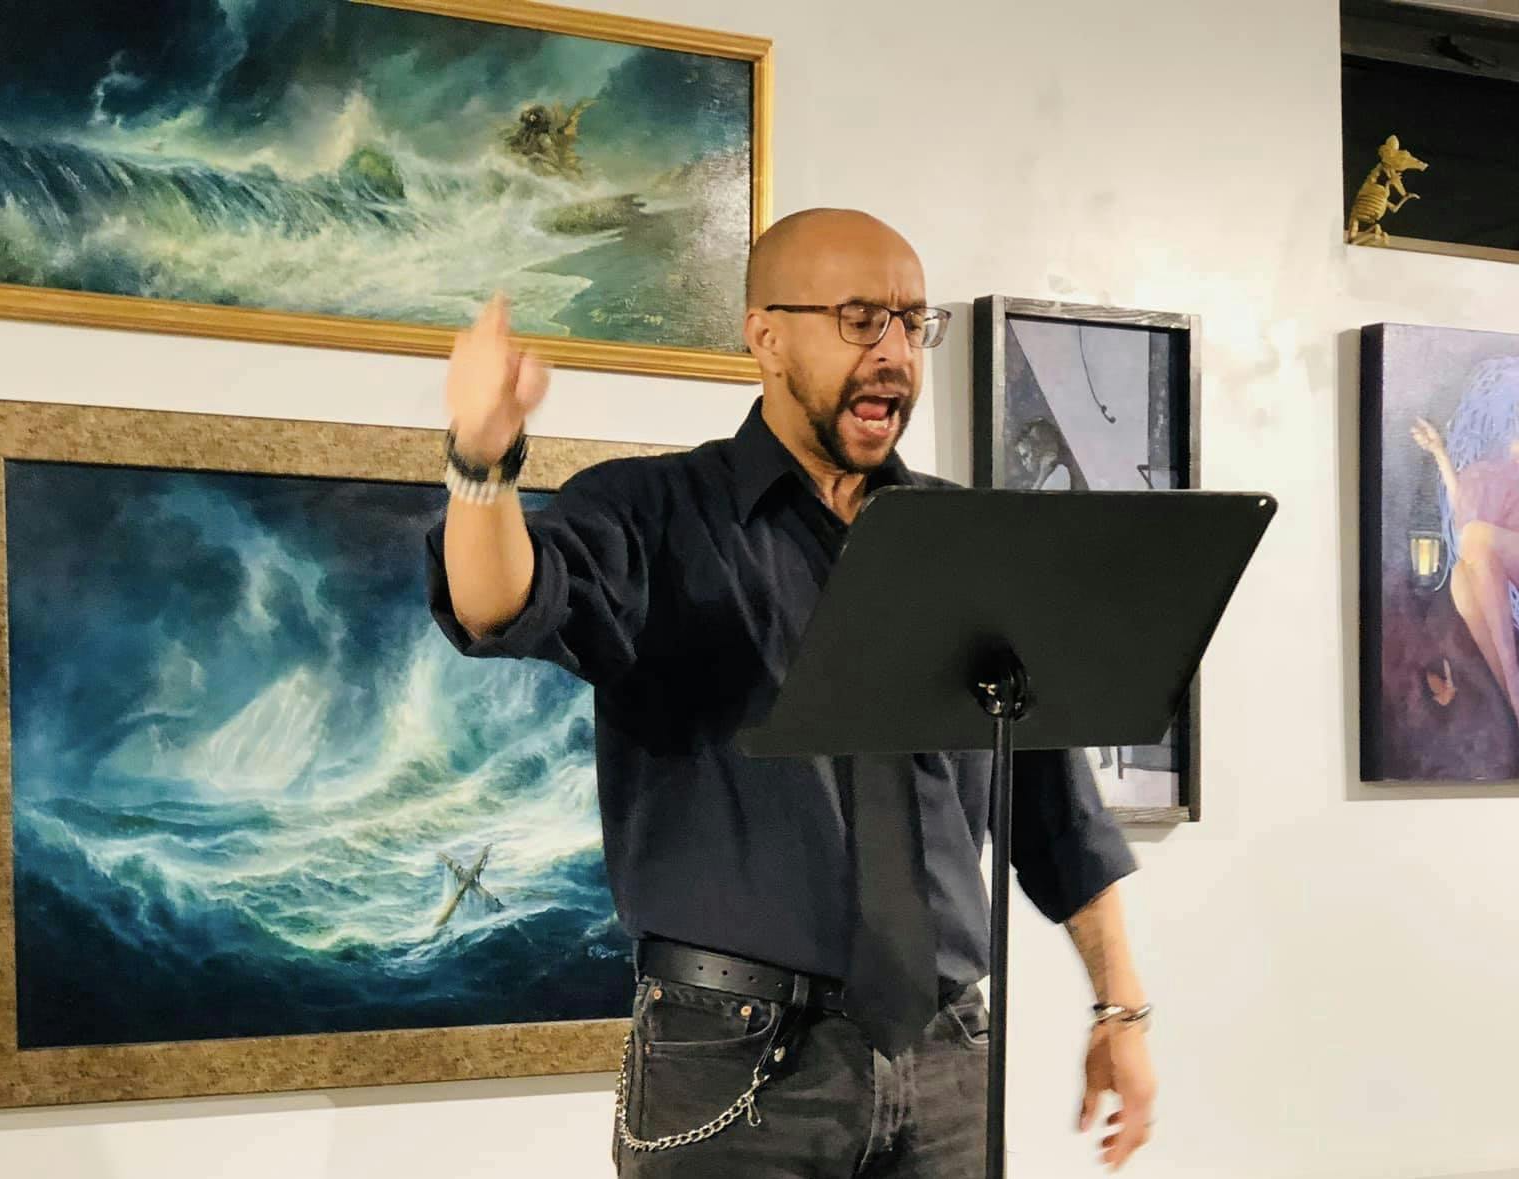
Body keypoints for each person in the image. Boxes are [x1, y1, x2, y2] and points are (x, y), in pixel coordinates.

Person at [425, 208, 1157, 1176]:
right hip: (728, 1059)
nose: (895, 352)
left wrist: (1121, 1009)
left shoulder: (967, 539)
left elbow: (1057, 811)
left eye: (913, 322)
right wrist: (481, 465)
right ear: (765, 336)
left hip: (947, 1055)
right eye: (861, 319)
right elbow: (497, 604)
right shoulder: (650, 512)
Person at [1412, 359, 1519, 727]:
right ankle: (1514, 702)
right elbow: (1465, 511)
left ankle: (1515, 688)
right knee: (1460, 577)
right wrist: (1440, 452)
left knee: (1476, 536)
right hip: (1505, 563)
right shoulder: (1488, 470)